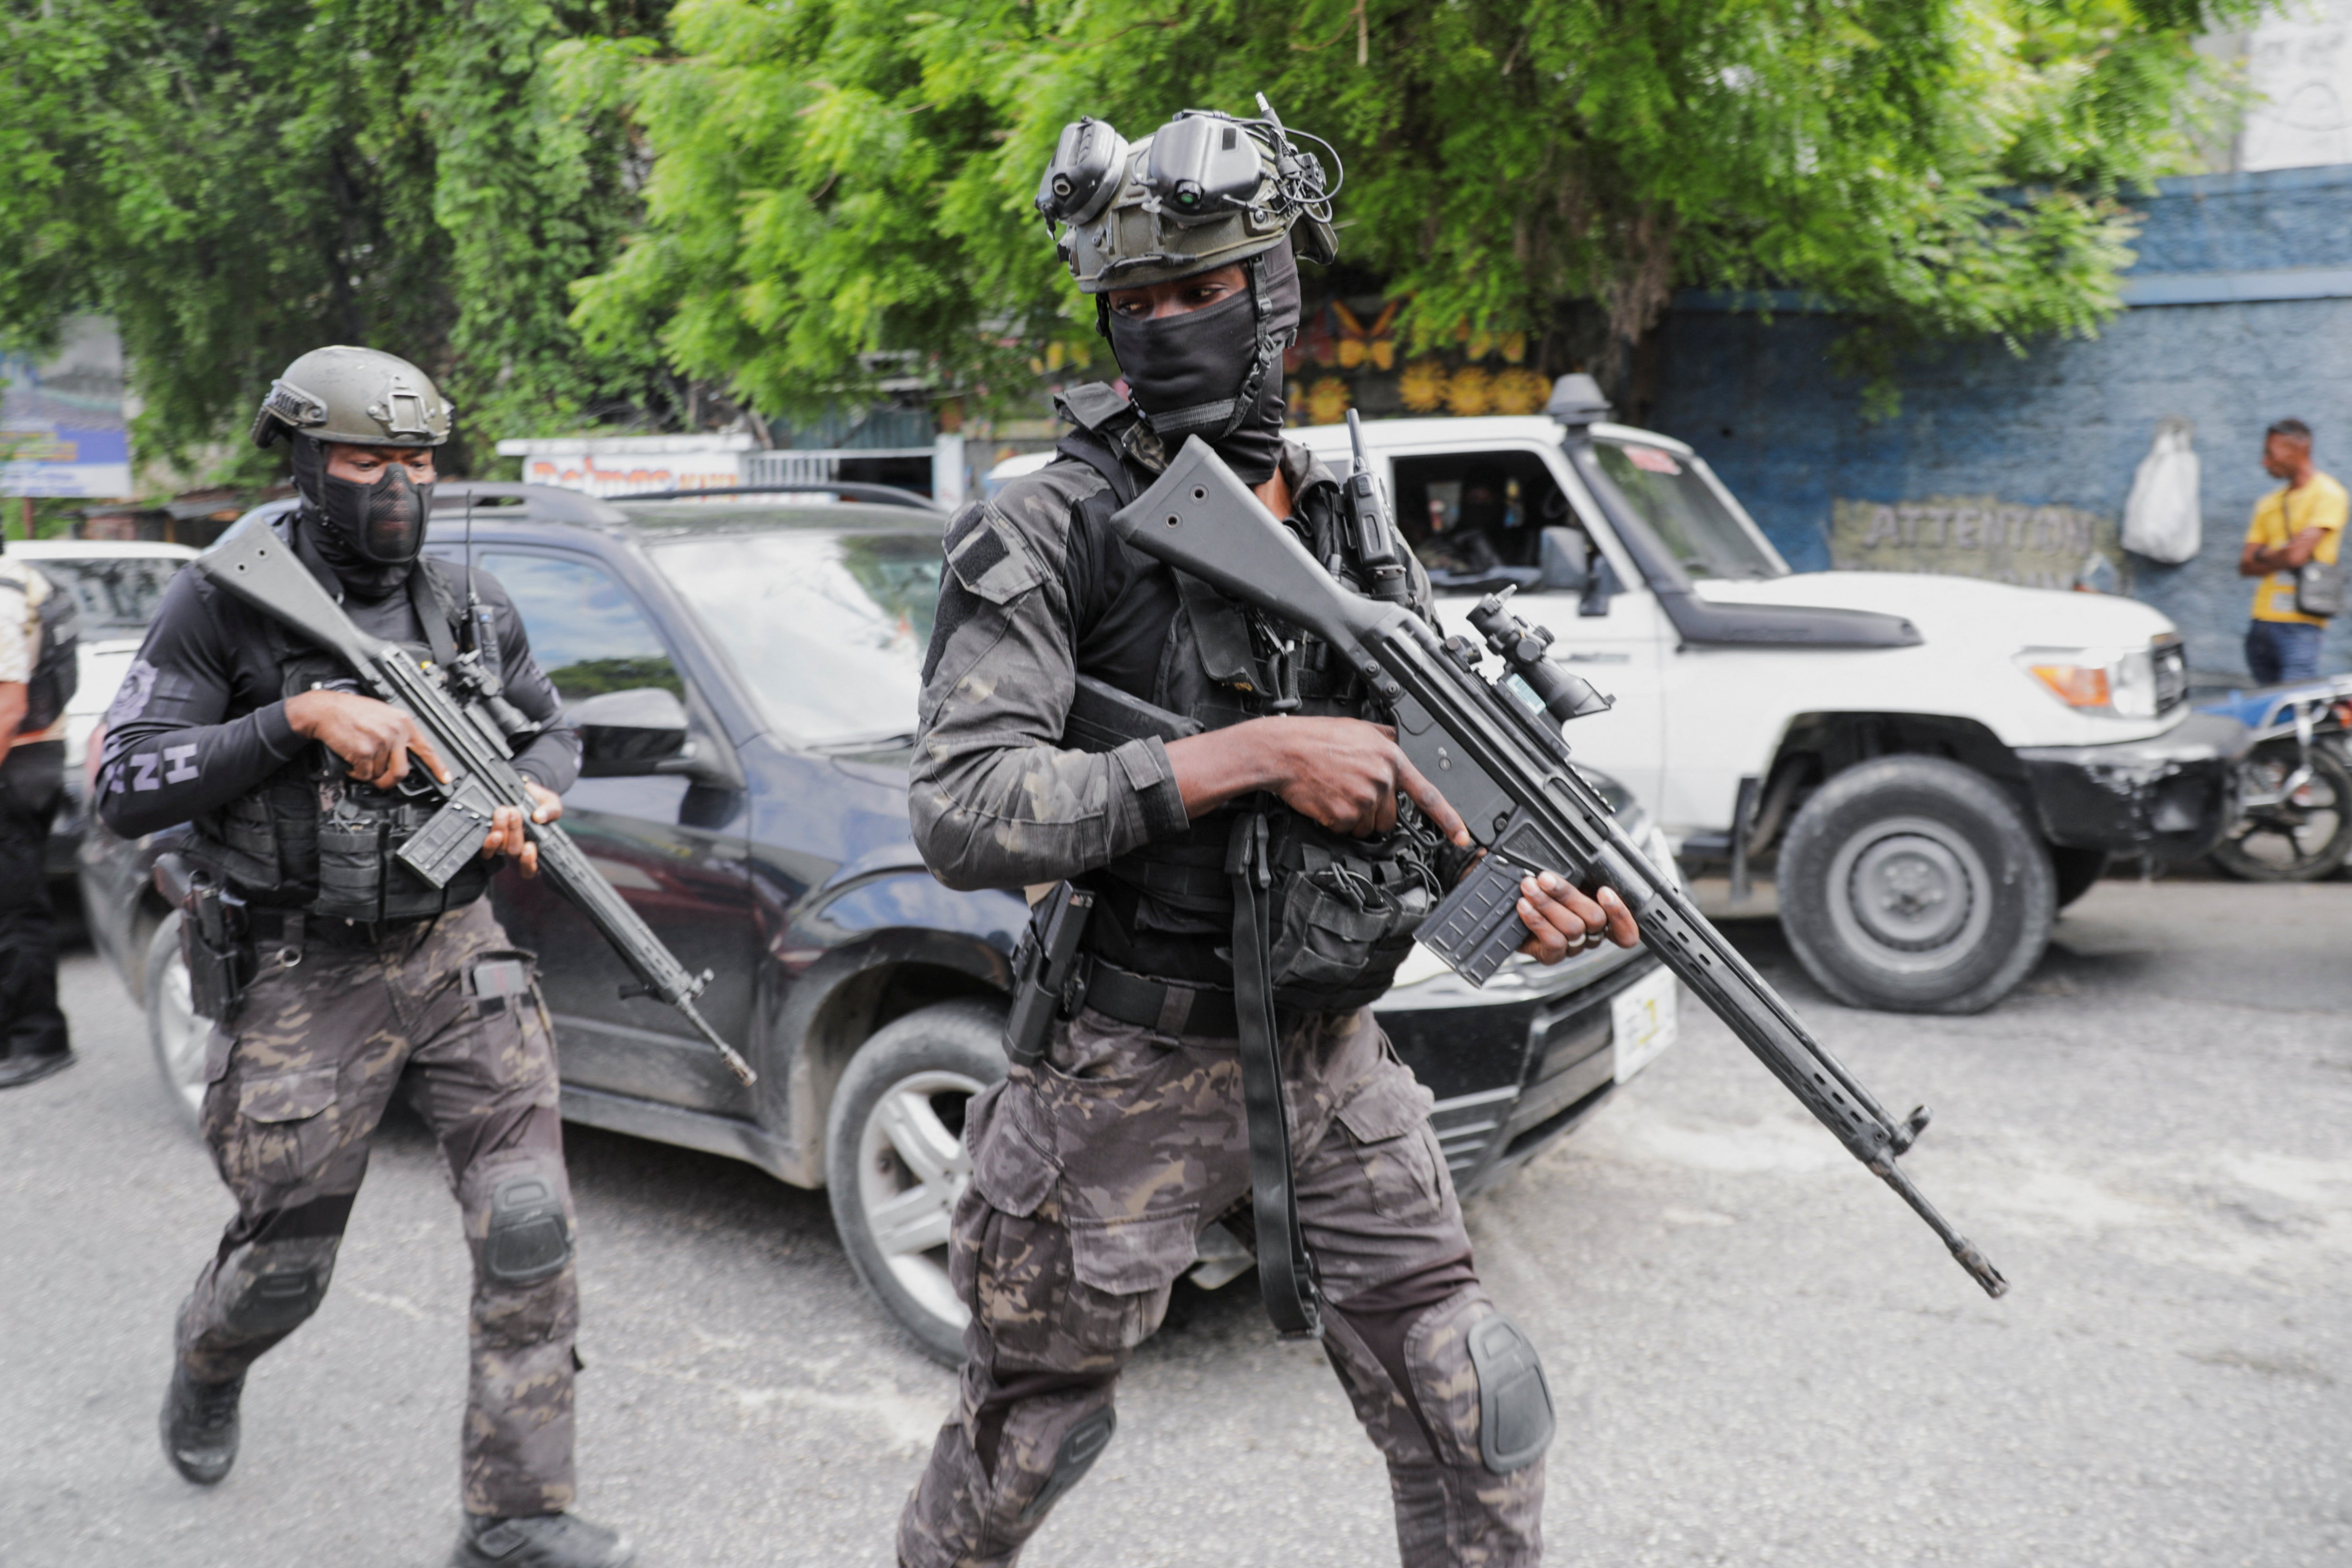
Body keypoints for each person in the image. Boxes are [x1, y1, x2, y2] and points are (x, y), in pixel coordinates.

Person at [895, 104, 1638, 1568]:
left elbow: (1419, 798)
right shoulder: (1047, 531)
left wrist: (1518, 880)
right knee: (1024, 1436)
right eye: (1137, 305)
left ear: (1273, 296)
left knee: (1473, 1404)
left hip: (1331, 1059)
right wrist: (1247, 757)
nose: (1167, 329)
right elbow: (964, 808)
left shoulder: (1356, 531)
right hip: (1120, 1062)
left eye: (1204, 292)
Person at [98, 346, 632, 1568]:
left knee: (527, 1224)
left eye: (418, 459)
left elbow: (552, 730)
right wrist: (296, 718)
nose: (399, 484)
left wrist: (530, 799)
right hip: (300, 970)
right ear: (301, 460)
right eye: (365, 460)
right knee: (282, 1264)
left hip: (456, 950)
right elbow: (125, 781)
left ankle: (513, 1515)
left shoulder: (468, 600)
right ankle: (206, 1362)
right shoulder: (221, 600)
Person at [0, 537, 76, 1088]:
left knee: (16, 908)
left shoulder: (2, 592)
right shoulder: (17, 577)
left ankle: (38, 1037)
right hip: (29, 757)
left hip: (16, 760)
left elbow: (9, 704)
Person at [2238, 417, 2346, 685]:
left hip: (2301, 624)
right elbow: (2245, 565)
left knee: (2294, 703)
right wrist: (2280, 555)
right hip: (2261, 622)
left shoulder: (2328, 495)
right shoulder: (2268, 503)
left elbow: (2296, 556)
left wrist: (2264, 555)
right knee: (2269, 705)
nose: (2265, 462)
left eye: (2270, 453)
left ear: (2298, 450)